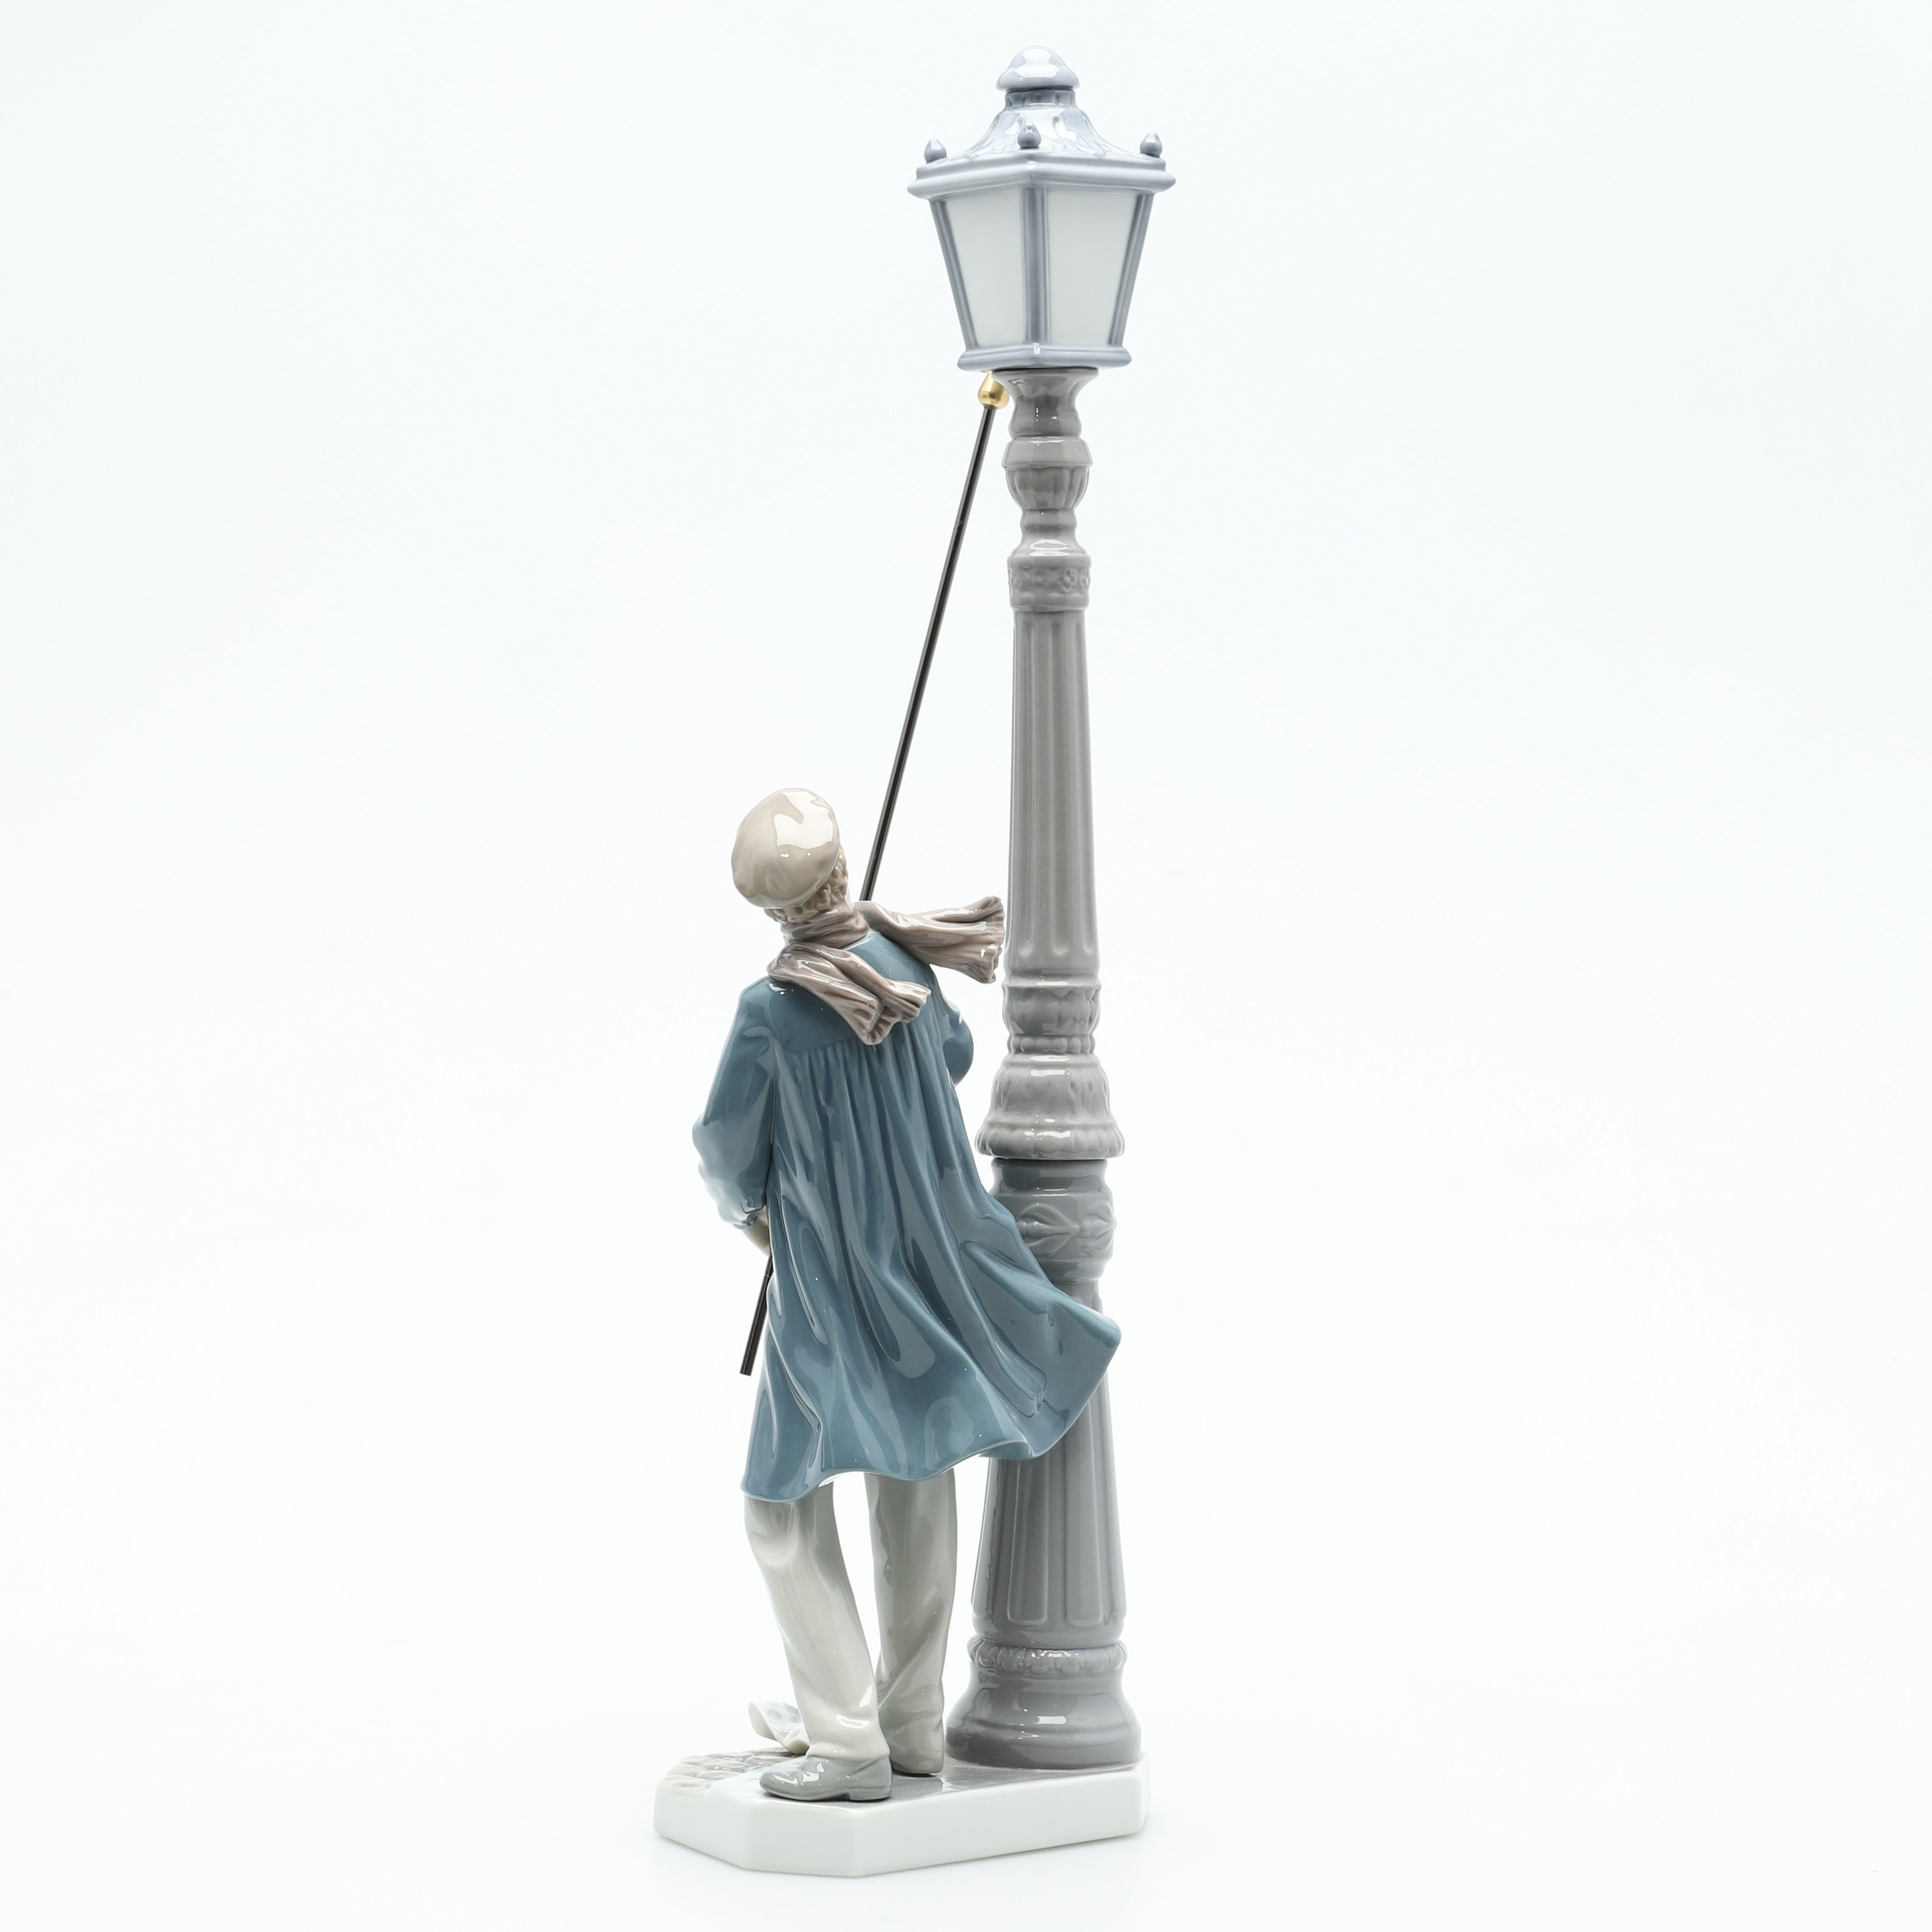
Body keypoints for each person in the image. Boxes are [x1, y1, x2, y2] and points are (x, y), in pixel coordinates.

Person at [694, 788, 1121, 1802]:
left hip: (829, 1294)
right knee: (913, 1478)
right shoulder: (905, 963)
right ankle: (909, 1722)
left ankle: (849, 1742)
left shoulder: (770, 1010)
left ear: (772, 908)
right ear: (841, 873)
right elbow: (956, 1054)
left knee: (781, 1509)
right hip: (925, 1277)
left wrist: (754, 1216)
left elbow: (723, 1147)